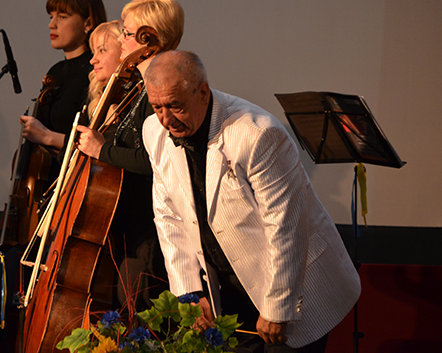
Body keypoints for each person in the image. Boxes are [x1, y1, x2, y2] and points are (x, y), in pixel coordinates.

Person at [142, 50, 361, 352]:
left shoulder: (257, 133)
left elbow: (286, 227)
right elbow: (168, 215)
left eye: (175, 106)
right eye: (157, 107)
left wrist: (277, 308)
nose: (166, 119)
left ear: (202, 92)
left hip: (293, 289)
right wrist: (190, 293)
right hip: (229, 292)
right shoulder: (153, 130)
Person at [75, 0, 185, 312]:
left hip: (149, 231)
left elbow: (155, 162)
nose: (122, 39)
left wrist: (101, 149)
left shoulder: (158, 91)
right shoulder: (139, 88)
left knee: (142, 315)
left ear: (148, 38)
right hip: (130, 229)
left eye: (127, 32)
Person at [19, 0, 106, 162]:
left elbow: (95, 139)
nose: (51, 25)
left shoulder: (96, 70)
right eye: (51, 17)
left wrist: (46, 136)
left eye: (62, 17)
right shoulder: (56, 71)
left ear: (88, 23)